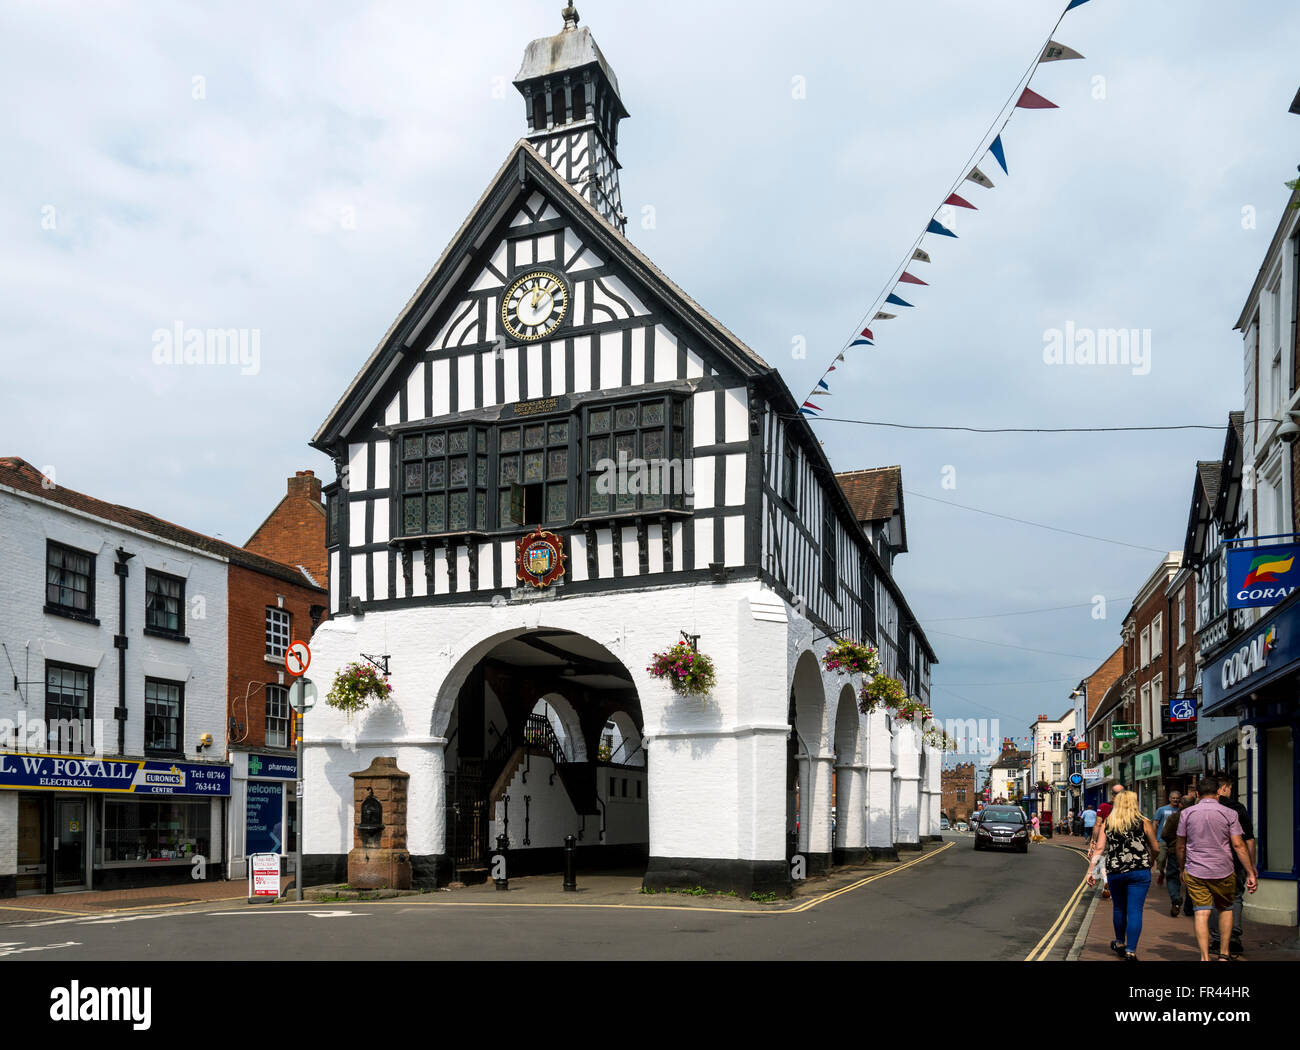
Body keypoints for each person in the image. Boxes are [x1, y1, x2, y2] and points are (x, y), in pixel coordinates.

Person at [1176, 777, 1258, 962]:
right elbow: (1238, 845)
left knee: (1201, 912)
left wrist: (1182, 868)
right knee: (1225, 909)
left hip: (1196, 870)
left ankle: (1204, 957)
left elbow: (1180, 846)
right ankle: (1224, 954)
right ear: (1218, 792)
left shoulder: (1187, 814)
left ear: (1197, 794)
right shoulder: (1229, 813)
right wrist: (1251, 871)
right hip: (1224, 870)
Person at [1087, 790, 1161, 960]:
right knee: (1135, 910)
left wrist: (1091, 871)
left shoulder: (1108, 823)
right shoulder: (1143, 822)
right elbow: (1156, 848)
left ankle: (1120, 942)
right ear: (1135, 803)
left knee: (1119, 908)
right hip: (1139, 871)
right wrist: (1151, 859)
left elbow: (1099, 849)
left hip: (1115, 871)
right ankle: (1131, 951)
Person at [1212, 774, 1256, 956]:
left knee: (1215, 900)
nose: (1230, 792)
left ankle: (1217, 938)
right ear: (1224, 788)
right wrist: (1251, 866)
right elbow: (1248, 840)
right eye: (1229, 788)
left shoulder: (1197, 809)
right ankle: (1233, 937)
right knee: (1235, 897)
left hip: (1209, 863)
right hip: (1235, 862)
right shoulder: (1236, 808)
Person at [1153, 789, 1184, 916]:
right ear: (1170, 798)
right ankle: (1161, 871)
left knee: (1173, 866)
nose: (1175, 800)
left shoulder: (1181, 811)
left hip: (1175, 842)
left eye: (1177, 798)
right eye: (1173, 798)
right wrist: (1154, 838)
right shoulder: (1162, 810)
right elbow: (1155, 823)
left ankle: (1176, 896)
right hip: (1162, 839)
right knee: (1160, 860)